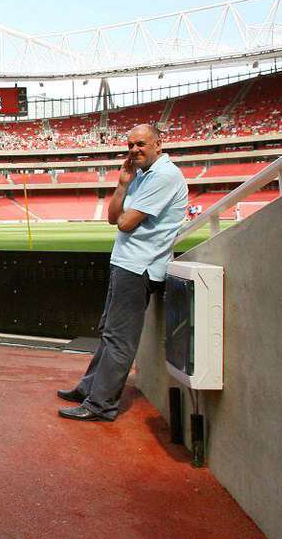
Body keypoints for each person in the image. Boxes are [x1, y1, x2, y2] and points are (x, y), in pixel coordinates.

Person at [58, 124, 188, 421]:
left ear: (158, 144)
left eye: (140, 144)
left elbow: (126, 223)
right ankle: (88, 388)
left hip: (139, 266)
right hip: (126, 262)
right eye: (129, 145)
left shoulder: (165, 175)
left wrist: (126, 207)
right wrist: (122, 184)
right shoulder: (141, 175)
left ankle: (101, 405)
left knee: (120, 339)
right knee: (108, 331)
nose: (134, 150)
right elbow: (112, 217)